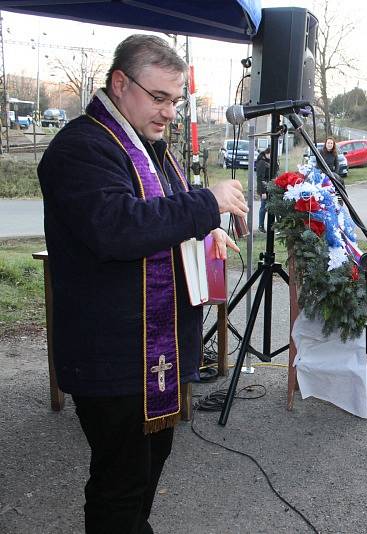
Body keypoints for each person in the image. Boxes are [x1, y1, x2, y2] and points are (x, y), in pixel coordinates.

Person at [37, 34, 247, 533]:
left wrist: (207, 228)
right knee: (120, 483)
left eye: (176, 101)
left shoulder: (147, 146)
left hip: (152, 352)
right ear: (120, 83)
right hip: (112, 356)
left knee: (146, 470)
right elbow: (118, 227)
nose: (170, 112)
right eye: (159, 98)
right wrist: (205, 203)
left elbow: (160, 217)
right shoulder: (82, 146)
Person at [256, 149, 271, 233]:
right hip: (265, 188)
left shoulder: (269, 161)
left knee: (272, 207)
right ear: (267, 153)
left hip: (270, 186)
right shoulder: (262, 162)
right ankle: (261, 226)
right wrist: (263, 192)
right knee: (264, 207)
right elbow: (260, 178)